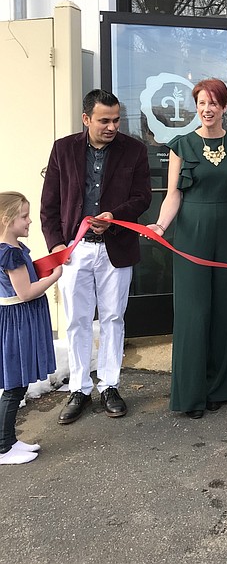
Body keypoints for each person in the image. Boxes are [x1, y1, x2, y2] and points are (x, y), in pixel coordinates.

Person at [41, 89, 151, 425]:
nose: (112, 126)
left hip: (116, 247)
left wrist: (114, 217)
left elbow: (143, 197)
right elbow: (49, 204)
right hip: (74, 251)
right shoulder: (63, 149)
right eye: (104, 120)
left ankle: (110, 385)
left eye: (116, 119)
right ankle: (78, 387)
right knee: (76, 320)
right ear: (86, 119)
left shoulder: (135, 150)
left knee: (114, 317)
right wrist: (56, 245)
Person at [147, 79, 227, 419]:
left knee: (224, 308)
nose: (207, 109)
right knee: (194, 312)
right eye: (201, 103)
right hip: (191, 232)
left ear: (224, 106)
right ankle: (191, 393)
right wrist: (161, 225)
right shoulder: (181, 145)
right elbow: (173, 193)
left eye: (213, 103)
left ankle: (221, 387)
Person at [0, 193, 61, 465]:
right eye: (24, 216)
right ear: (6, 220)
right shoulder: (10, 253)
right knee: (14, 385)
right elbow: (25, 292)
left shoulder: (13, 249)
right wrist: (55, 275)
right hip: (17, 320)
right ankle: (2, 447)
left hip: (17, 318)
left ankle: (9, 440)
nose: (29, 221)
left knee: (18, 383)